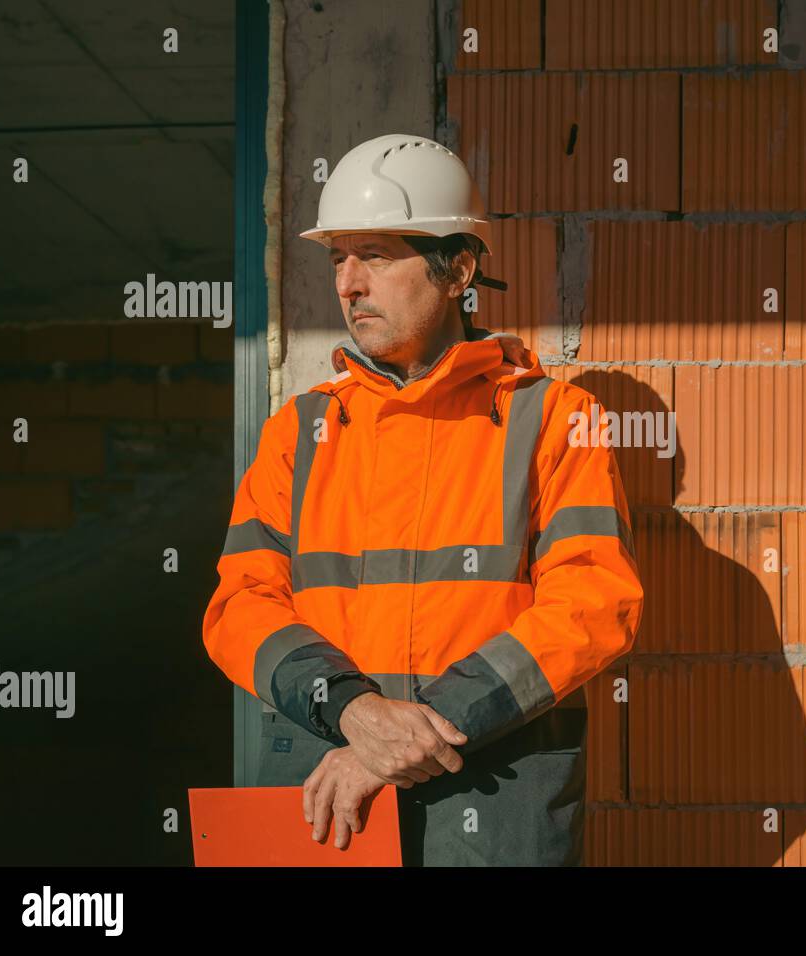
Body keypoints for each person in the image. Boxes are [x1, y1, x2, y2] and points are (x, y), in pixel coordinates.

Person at [202, 133, 643, 865]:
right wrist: (352, 710)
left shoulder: (553, 420)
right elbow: (238, 607)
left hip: (493, 806)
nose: (348, 284)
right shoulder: (300, 433)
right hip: (326, 807)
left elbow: (595, 601)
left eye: (374, 255)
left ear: (458, 268)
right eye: (338, 257)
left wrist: (414, 732)